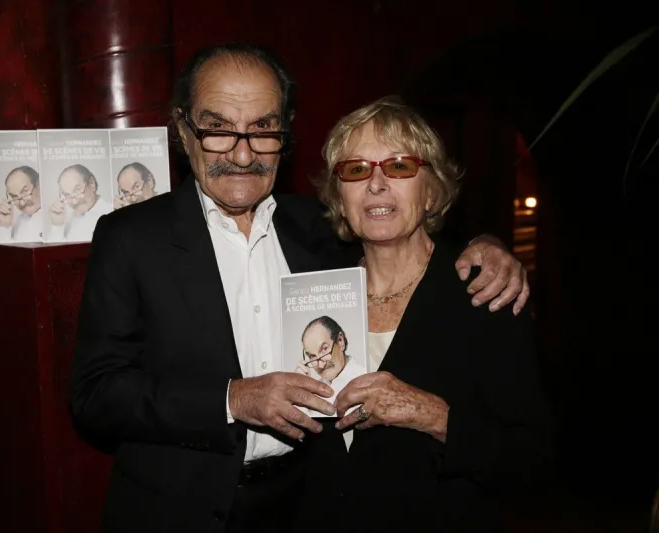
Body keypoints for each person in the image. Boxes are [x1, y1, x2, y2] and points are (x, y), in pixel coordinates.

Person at [70, 44, 530, 533]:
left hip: (300, 507)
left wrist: (485, 244)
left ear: (284, 135)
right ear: (184, 131)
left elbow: (399, 224)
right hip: (176, 512)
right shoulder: (131, 238)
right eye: (218, 129)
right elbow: (96, 395)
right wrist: (232, 399)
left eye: (262, 129)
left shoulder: (314, 230)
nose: (243, 154)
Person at [309, 95, 552, 532]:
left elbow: (531, 462)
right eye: (356, 170)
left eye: (400, 166)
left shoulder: (484, 294)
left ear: (431, 193)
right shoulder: (311, 287)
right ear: (339, 198)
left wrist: (432, 415)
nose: (376, 184)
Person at [295, 316, 364, 392]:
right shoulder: (312, 389)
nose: (321, 365)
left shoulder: (365, 379)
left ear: (340, 341)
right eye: (312, 356)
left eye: (324, 349)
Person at [47, 164, 112, 242]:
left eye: (77, 189)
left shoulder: (111, 214)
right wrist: (57, 225)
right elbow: (55, 249)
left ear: (92, 183)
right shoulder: (68, 219)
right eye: (67, 195)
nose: (75, 202)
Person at [0, 165, 42, 243]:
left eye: (24, 191)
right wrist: (4, 226)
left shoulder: (57, 215)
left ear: (38, 184)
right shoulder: (18, 221)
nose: (22, 203)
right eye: (14, 196)